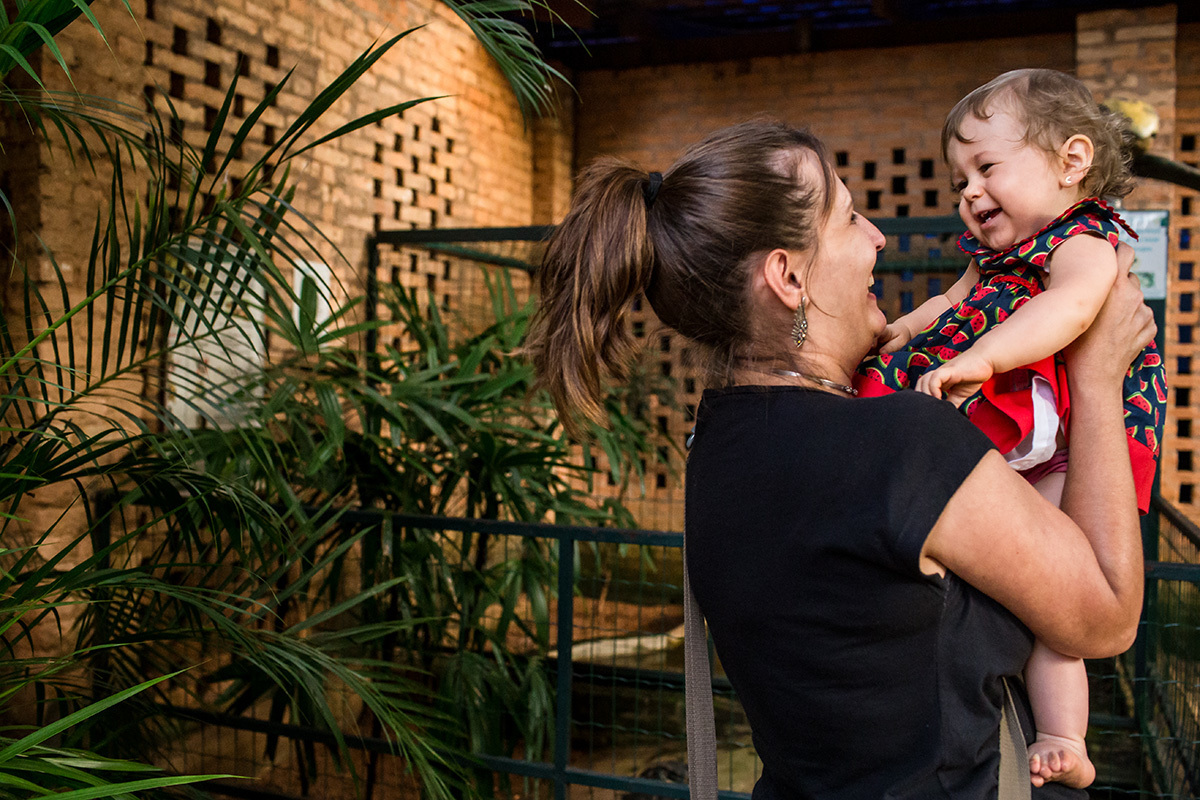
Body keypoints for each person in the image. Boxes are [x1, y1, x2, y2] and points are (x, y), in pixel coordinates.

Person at [526, 119, 1153, 799]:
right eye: (850, 218)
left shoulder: (718, 444)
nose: (878, 236)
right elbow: (1108, 615)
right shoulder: (902, 445)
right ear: (789, 276)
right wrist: (1096, 377)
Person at [856, 69, 1166, 789]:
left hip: (1072, 439)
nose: (968, 192)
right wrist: (900, 328)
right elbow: (949, 302)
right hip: (1023, 425)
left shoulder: (1086, 241)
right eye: (959, 177)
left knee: (1061, 594)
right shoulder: (994, 261)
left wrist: (986, 355)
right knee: (1014, 589)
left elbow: (1069, 313)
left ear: (1071, 161)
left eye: (987, 166)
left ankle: (1065, 734)